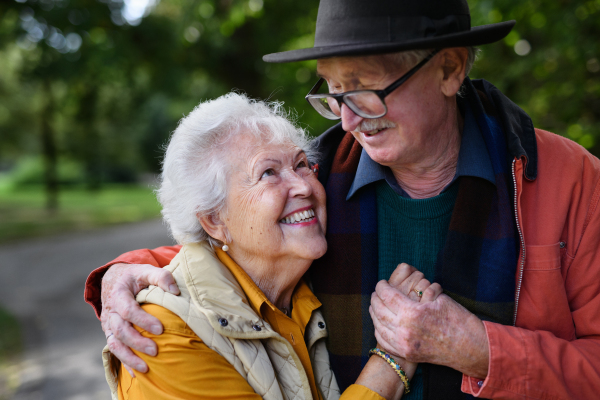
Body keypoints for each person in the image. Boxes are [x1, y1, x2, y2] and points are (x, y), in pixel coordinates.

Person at [87, 0, 600, 399]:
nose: (349, 120)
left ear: (449, 69)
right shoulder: (325, 176)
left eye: (367, 89)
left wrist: (481, 351)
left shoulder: (564, 179)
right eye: (334, 93)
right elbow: (239, 252)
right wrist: (126, 269)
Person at [102, 92, 442, 400]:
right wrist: (392, 358)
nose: (303, 187)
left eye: (301, 165)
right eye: (268, 173)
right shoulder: (161, 334)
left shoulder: (302, 282)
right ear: (214, 220)